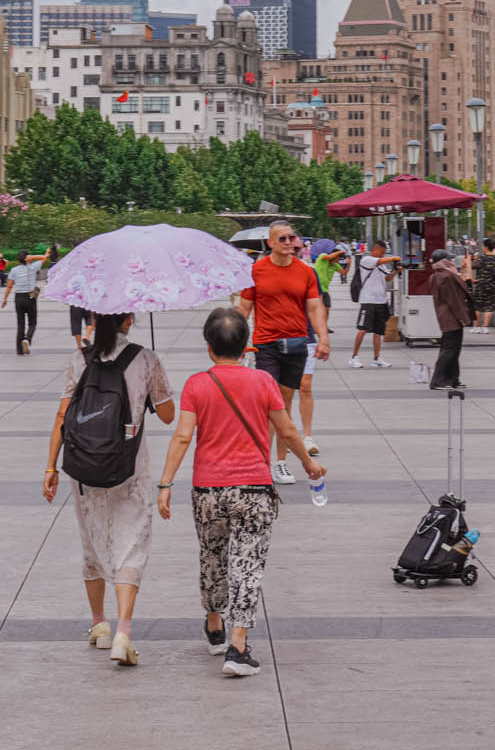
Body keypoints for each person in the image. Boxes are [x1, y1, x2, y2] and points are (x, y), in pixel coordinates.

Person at [156, 305, 325, 678]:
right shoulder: (263, 381)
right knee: (247, 565)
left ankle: (214, 626)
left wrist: (165, 483)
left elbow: (183, 436)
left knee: (212, 557)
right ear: (247, 345)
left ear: (208, 347)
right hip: (253, 490)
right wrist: (309, 464)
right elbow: (287, 430)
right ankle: (238, 646)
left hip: (208, 489)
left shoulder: (197, 384)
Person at [44, 311, 175, 665]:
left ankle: (99, 624)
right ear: (128, 320)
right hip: (129, 468)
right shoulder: (145, 359)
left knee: (92, 542)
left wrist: (51, 466)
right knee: (130, 545)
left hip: (83, 468)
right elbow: (168, 415)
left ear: (93, 317)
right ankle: (123, 633)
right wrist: (151, 390)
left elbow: (62, 416)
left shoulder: (79, 358)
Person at [237, 221, 329, 483]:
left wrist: (323, 338)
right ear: (270, 243)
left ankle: (279, 463)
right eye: (282, 239)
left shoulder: (305, 272)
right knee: (270, 403)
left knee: (284, 404)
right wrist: (237, 341)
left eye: (291, 238)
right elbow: (244, 308)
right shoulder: (256, 271)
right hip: (266, 345)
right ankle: (262, 463)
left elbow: (315, 308)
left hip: (297, 345)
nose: (289, 242)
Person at [347, 238, 402, 369]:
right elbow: (380, 261)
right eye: (382, 252)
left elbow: (387, 278)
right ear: (375, 250)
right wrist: (394, 258)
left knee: (378, 331)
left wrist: (396, 271)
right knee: (363, 329)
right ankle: (354, 357)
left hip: (381, 301)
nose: (383, 255)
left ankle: (376, 358)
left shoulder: (381, 264)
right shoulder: (367, 260)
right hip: (368, 301)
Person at [429, 246, 472, 391]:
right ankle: (438, 381)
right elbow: (453, 299)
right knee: (449, 350)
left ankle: (453, 379)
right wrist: (462, 317)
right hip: (451, 317)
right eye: (449, 259)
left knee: (452, 349)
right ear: (443, 261)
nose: (452, 261)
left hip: (447, 316)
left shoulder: (437, 275)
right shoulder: (446, 276)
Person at [3, 249, 46, 355]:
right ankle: (27, 339)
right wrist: (32, 257)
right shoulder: (33, 267)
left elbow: (9, 286)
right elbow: (44, 257)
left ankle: (19, 350)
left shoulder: (14, 270)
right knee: (32, 323)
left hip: (18, 298)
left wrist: (5, 299)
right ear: (28, 258)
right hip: (30, 297)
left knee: (20, 324)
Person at [472, 238, 495, 332]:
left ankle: (477, 327)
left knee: (478, 306)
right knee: (489, 306)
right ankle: (485, 327)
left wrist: (474, 259)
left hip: (480, 285)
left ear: (485, 247)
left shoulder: (481, 258)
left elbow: (473, 266)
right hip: (492, 285)